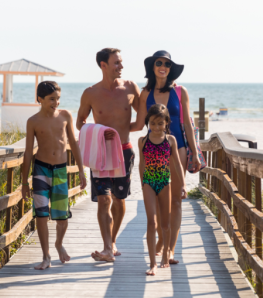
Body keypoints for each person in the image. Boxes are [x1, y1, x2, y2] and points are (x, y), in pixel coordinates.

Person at [132, 50, 201, 265]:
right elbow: (139, 124)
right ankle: (162, 240)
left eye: (167, 64)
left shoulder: (181, 91)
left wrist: (195, 152)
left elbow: (188, 123)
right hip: (154, 151)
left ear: (171, 69)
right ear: (153, 67)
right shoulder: (145, 93)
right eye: (159, 63)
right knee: (161, 199)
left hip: (177, 146)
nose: (163, 66)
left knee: (176, 201)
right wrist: (109, 126)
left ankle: (170, 250)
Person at [77, 48, 140, 262]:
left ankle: (112, 241)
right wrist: (100, 134)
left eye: (121, 62)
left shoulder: (131, 88)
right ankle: (106, 248)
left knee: (119, 199)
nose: (121, 66)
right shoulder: (90, 93)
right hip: (101, 153)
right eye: (116, 63)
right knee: (104, 200)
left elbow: (142, 120)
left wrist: (120, 131)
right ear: (103, 65)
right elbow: (80, 123)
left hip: (124, 151)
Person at [22, 80, 87, 270]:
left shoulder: (65, 116)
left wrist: (81, 170)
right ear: (40, 99)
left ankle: (59, 243)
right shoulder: (33, 121)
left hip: (60, 170)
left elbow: (74, 144)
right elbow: (27, 152)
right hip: (40, 170)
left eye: (58, 98)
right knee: (41, 215)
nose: (56, 102)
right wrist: (24, 182)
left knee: (62, 218)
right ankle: (46, 256)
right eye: (52, 99)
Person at [139, 104, 186, 275]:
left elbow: (178, 164)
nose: (156, 127)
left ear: (167, 123)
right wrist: (142, 182)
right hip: (149, 183)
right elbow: (141, 164)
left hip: (165, 183)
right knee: (152, 223)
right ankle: (153, 263)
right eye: (152, 124)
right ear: (148, 123)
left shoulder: (170, 140)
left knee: (165, 225)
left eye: (160, 124)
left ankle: (166, 252)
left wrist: (183, 185)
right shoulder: (143, 141)